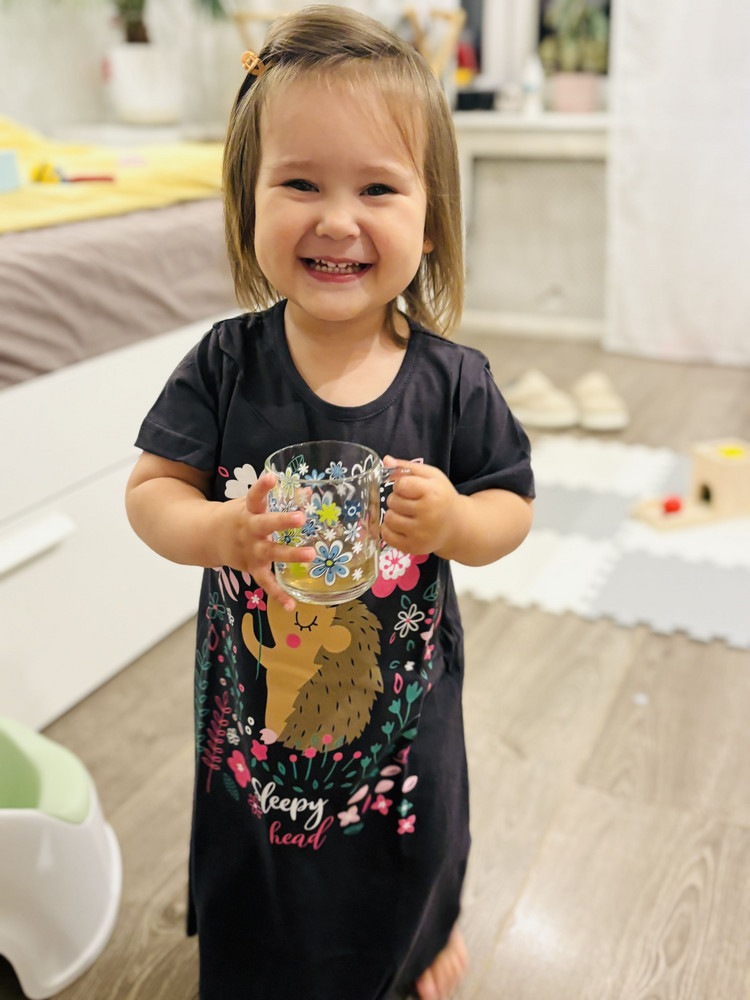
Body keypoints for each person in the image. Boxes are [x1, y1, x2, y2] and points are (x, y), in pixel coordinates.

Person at [125, 6, 534, 999]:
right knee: (256, 852)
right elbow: (151, 492)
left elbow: (510, 505)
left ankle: (422, 936)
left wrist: (457, 522)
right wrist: (218, 531)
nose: (339, 220)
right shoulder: (225, 365)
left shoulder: (453, 383)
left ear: (429, 220)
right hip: (256, 715)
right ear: (248, 204)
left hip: (401, 713)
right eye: (301, 183)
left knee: (412, 840)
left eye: (378, 188)